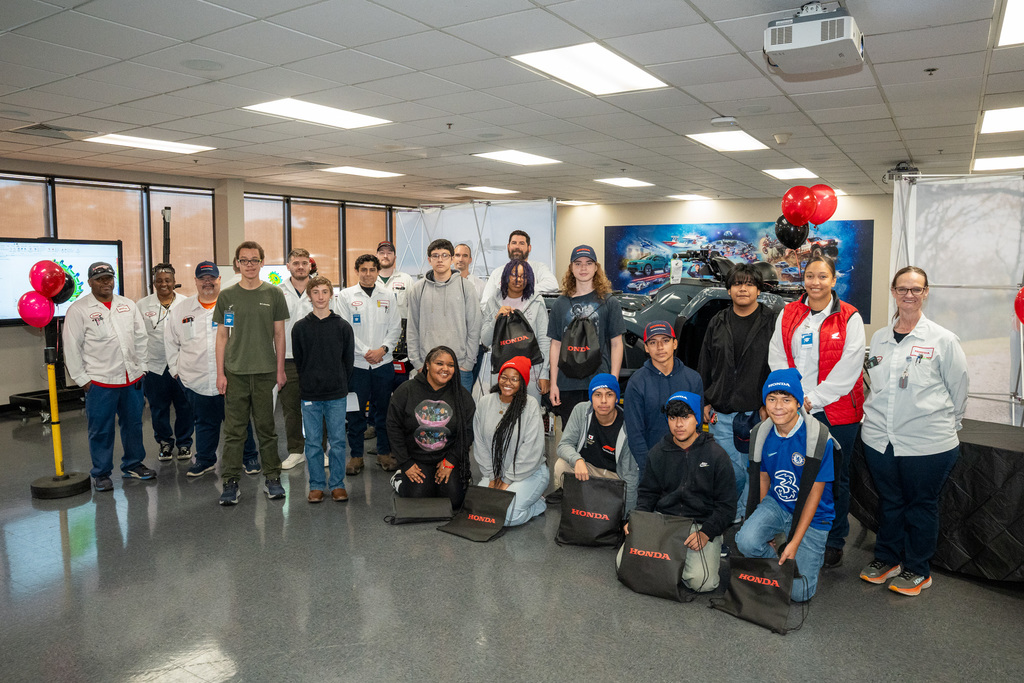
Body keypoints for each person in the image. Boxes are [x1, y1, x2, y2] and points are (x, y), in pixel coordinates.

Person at [858, 266, 969, 596]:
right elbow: (873, 384)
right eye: (903, 288)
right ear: (893, 292)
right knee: (890, 501)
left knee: (921, 505)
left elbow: (959, 389)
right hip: (879, 439)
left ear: (926, 292)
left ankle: (918, 569)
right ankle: (887, 559)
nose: (909, 294)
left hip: (928, 443)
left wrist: (949, 423)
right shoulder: (879, 337)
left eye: (916, 289)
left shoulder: (943, 340)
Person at [768, 253, 865, 569]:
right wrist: (793, 400)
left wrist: (812, 400)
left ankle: (834, 541)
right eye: (810, 276)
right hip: (795, 412)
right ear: (803, 279)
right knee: (798, 474)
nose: (816, 282)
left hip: (836, 413)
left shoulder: (849, 317)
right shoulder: (789, 314)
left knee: (836, 479)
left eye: (823, 276)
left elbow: (849, 369)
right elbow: (778, 358)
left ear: (834, 280)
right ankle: (796, 534)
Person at [735, 369, 836, 603]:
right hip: (778, 504)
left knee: (800, 594)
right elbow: (763, 479)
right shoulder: (761, 433)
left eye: (786, 399)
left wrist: (794, 542)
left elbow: (814, 495)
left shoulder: (818, 438)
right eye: (772, 399)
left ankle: (793, 557)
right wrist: (764, 527)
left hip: (814, 514)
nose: (778, 406)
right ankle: (778, 560)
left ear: (798, 402)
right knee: (746, 540)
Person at [621, 391, 735, 593]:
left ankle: (668, 566)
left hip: (699, 526)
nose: (678, 424)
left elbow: (727, 506)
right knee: (624, 563)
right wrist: (637, 520)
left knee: (703, 583)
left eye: (685, 417)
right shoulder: (658, 451)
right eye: (673, 418)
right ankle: (670, 564)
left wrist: (707, 532)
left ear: (697, 419)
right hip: (664, 522)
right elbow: (648, 493)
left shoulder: (717, 456)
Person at [62, 261, 154, 491]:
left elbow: (140, 337)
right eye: (100, 279)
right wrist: (82, 379)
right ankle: (101, 473)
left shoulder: (127, 305)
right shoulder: (79, 309)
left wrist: (141, 368)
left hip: (131, 378)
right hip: (100, 381)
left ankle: (133, 464)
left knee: (133, 424)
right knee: (101, 429)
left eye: (109, 278)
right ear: (90, 282)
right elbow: (71, 346)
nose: (106, 283)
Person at [165, 262, 260, 478]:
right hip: (195, 378)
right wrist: (176, 372)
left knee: (239, 420)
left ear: (219, 280)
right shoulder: (181, 309)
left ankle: (249, 456)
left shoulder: (233, 305)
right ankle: (206, 459)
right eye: (202, 278)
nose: (207, 282)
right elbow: (170, 341)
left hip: (233, 377)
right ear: (196, 281)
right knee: (204, 422)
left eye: (211, 278)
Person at [698, 263, 777, 517]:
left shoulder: (772, 322)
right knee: (729, 469)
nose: (743, 288)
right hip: (722, 412)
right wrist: (704, 400)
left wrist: (769, 404)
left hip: (758, 413)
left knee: (754, 468)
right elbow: (705, 363)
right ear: (729, 289)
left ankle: (745, 512)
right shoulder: (717, 322)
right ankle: (732, 512)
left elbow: (778, 365)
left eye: (749, 283)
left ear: (759, 289)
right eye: (737, 284)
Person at [214, 241, 289, 506]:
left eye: (254, 260)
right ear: (237, 263)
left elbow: (279, 335)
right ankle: (231, 482)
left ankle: (272, 478)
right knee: (234, 432)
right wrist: (220, 373)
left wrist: (280, 370)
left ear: (261, 263)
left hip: (266, 372)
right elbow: (222, 336)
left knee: (267, 429)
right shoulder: (227, 296)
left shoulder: (274, 294)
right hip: (235, 373)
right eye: (244, 260)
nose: (249, 265)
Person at [387, 345, 475, 509]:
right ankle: (399, 479)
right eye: (439, 363)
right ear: (427, 364)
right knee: (418, 500)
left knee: (453, 502)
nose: (445, 369)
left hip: (447, 458)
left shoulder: (462, 396)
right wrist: (406, 463)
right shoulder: (406, 391)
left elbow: (468, 433)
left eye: (450, 365)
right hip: (416, 459)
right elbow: (393, 428)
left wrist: (451, 461)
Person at [292, 275, 355, 503]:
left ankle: (337, 484)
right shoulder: (300, 328)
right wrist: (310, 381)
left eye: (324, 292)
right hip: (310, 395)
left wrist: (339, 382)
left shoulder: (342, 327)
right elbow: (299, 361)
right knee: (312, 442)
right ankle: (317, 484)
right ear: (309, 296)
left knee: (337, 441)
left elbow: (347, 361)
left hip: (336, 394)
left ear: (331, 295)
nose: (320, 296)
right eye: (315, 292)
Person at [547, 245, 625, 426]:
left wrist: (612, 382)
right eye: (578, 263)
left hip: (599, 380)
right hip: (567, 383)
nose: (583, 268)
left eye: (589, 263)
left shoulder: (609, 302)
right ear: (571, 268)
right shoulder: (560, 304)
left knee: (598, 438)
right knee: (571, 436)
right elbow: (555, 345)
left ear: (596, 268)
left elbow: (616, 344)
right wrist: (553, 384)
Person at [339, 254, 401, 475]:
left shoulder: (389, 296)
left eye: (372, 270)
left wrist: (383, 349)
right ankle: (356, 456)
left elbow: (395, 327)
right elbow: (345, 330)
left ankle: (384, 453)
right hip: (357, 366)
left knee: (383, 411)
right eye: (363, 269)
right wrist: (366, 352)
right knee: (355, 414)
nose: (367, 274)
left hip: (383, 364)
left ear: (377, 271)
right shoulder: (345, 296)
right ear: (357, 271)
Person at [472, 356, 548, 527]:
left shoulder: (530, 405)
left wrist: (507, 480)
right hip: (496, 472)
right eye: (504, 377)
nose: (508, 382)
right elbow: (480, 444)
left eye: (515, 379)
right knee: (480, 512)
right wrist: (492, 477)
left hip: (529, 473)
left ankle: (536, 505)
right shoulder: (485, 403)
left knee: (505, 516)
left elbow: (531, 450)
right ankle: (528, 499)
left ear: (522, 383)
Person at [551, 373, 638, 512]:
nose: (603, 400)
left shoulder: (627, 424)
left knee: (624, 494)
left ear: (616, 398)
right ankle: (583, 503)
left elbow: (630, 475)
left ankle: (594, 503)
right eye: (598, 395)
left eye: (609, 395)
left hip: (614, 477)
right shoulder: (581, 411)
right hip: (588, 470)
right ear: (591, 397)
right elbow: (563, 445)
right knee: (562, 465)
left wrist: (628, 517)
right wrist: (577, 460)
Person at [624, 321, 703, 476]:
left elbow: (697, 428)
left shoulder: (693, 379)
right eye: (653, 342)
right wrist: (650, 469)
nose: (660, 347)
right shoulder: (637, 382)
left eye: (665, 341)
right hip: (652, 469)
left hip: (686, 467)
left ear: (675, 344)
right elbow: (635, 434)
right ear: (646, 348)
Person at [406, 238, 481, 392]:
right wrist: (418, 364)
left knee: (459, 414)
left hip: (459, 368)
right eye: (435, 255)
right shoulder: (417, 289)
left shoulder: (466, 287)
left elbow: (474, 326)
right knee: (427, 415)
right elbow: (412, 328)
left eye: (445, 255)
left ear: (452, 259)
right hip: (427, 368)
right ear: (429, 260)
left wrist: (467, 364)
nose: (440, 260)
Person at [137, 263, 193, 462]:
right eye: (159, 280)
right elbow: (138, 336)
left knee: (184, 406)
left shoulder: (187, 303)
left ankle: (185, 443)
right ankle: (165, 443)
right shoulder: (142, 305)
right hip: (155, 366)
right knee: (158, 407)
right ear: (154, 283)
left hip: (180, 364)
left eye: (168, 280)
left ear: (174, 282)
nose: (163, 284)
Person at [480, 258, 550, 402]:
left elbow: (544, 340)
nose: (518, 279)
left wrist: (544, 374)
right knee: (501, 414)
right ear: (505, 276)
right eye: (513, 275)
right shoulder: (493, 301)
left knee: (529, 413)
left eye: (523, 276)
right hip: (501, 373)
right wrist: (496, 318)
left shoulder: (537, 302)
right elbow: (485, 340)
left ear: (529, 279)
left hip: (532, 373)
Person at [279, 248, 313, 471]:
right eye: (296, 263)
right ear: (288, 266)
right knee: (291, 409)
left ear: (310, 266)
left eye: (304, 263)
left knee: (317, 408)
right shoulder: (276, 292)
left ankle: (318, 450)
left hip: (316, 360)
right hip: (288, 359)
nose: (300, 266)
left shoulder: (320, 289)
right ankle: (296, 451)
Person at [481, 230, 560, 302]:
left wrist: (521, 290)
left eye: (521, 243)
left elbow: (552, 284)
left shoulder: (539, 268)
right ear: (508, 247)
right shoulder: (497, 273)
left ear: (529, 248)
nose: (517, 247)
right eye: (514, 243)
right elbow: (485, 303)